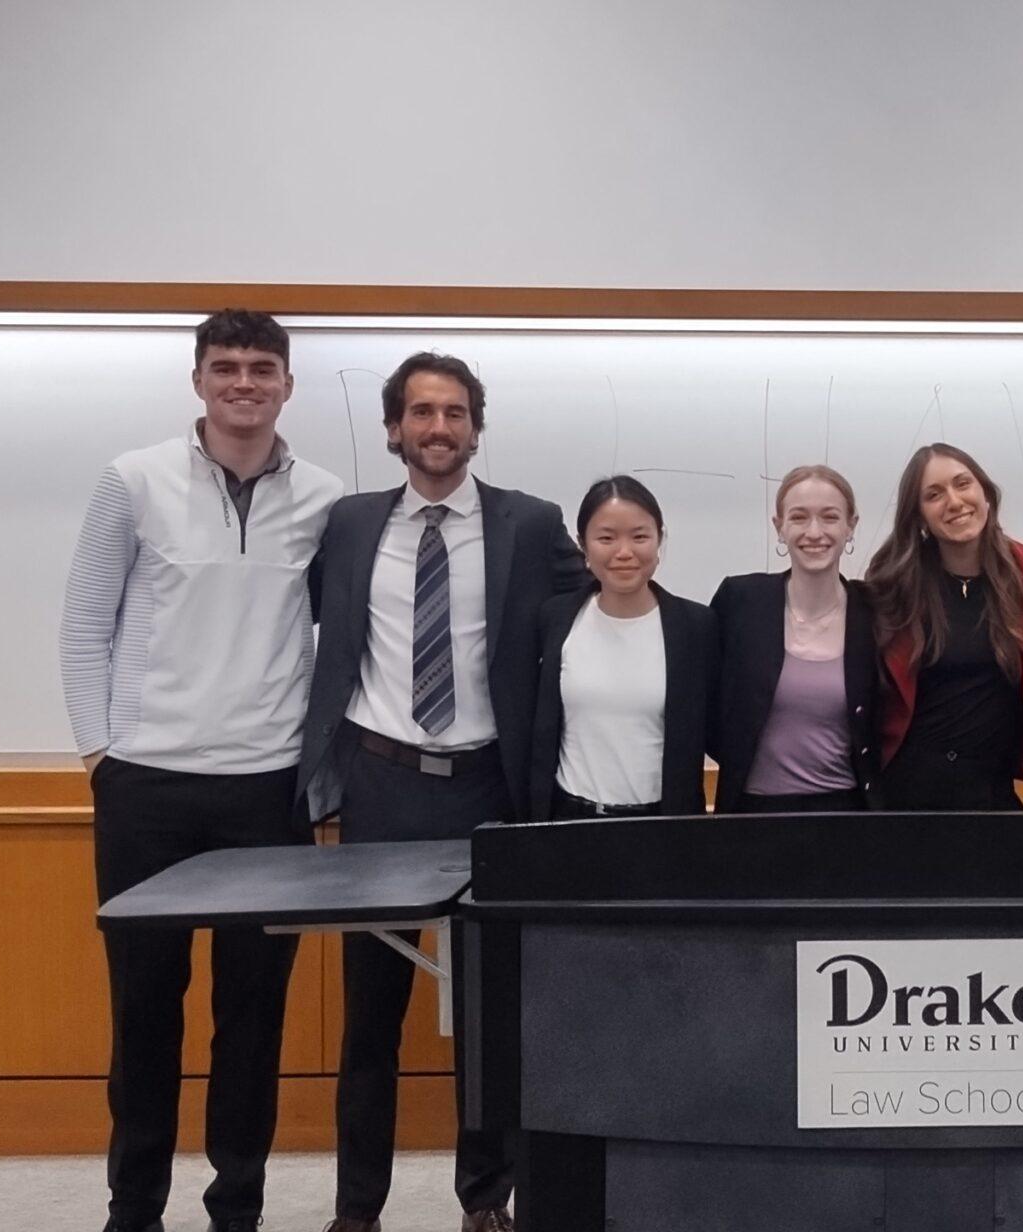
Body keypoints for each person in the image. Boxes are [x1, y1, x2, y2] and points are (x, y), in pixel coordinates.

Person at [58, 309, 341, 1232]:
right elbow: (83, 624)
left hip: (268, 789)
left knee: (252, 1021)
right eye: (227, 367)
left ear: (288, 384)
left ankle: (238, 1210)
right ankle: (133, 1208)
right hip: (147, 786)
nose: (245, 383)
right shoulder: (130, 480)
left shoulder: (328, 499)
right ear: (198, 380)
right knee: (144, 1012)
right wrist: (101, 753)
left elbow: (339, 642)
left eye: (263, 367)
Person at [297, 352, 585, 1232]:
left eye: (455, 412)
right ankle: (357, 1209)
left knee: (489, 1012)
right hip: (381, 784)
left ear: (475, 428)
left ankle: (484, 1200)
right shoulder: (347, 525)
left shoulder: (530, 525)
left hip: (490, 785)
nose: (438, 428)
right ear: (394, 429)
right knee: (370, 1019)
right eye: (421, 412)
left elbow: (602, 612)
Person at [864, 443, 1023, 810]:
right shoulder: (893, 588)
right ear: (919, 516)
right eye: (934, 495)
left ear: (985, 494)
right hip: (904, 800)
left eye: (963, 484)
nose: (954, 502)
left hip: (993, 796)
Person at [532, 474, 716, 817]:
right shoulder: (556, 619)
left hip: (661, 824)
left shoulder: (696, 627)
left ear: (659, 540)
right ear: (582, 545)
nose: (624, 552)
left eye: (640, 536)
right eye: (606, 537)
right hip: (569, 819)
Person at [709, 465, 881, 812]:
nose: (814, 532)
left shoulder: (876, 611)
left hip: (847, 815)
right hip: (750, 814)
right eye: (799, 517)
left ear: (851, 526)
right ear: (779, 527)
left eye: (830, 517)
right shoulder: (741, 601)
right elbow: (706, 703)